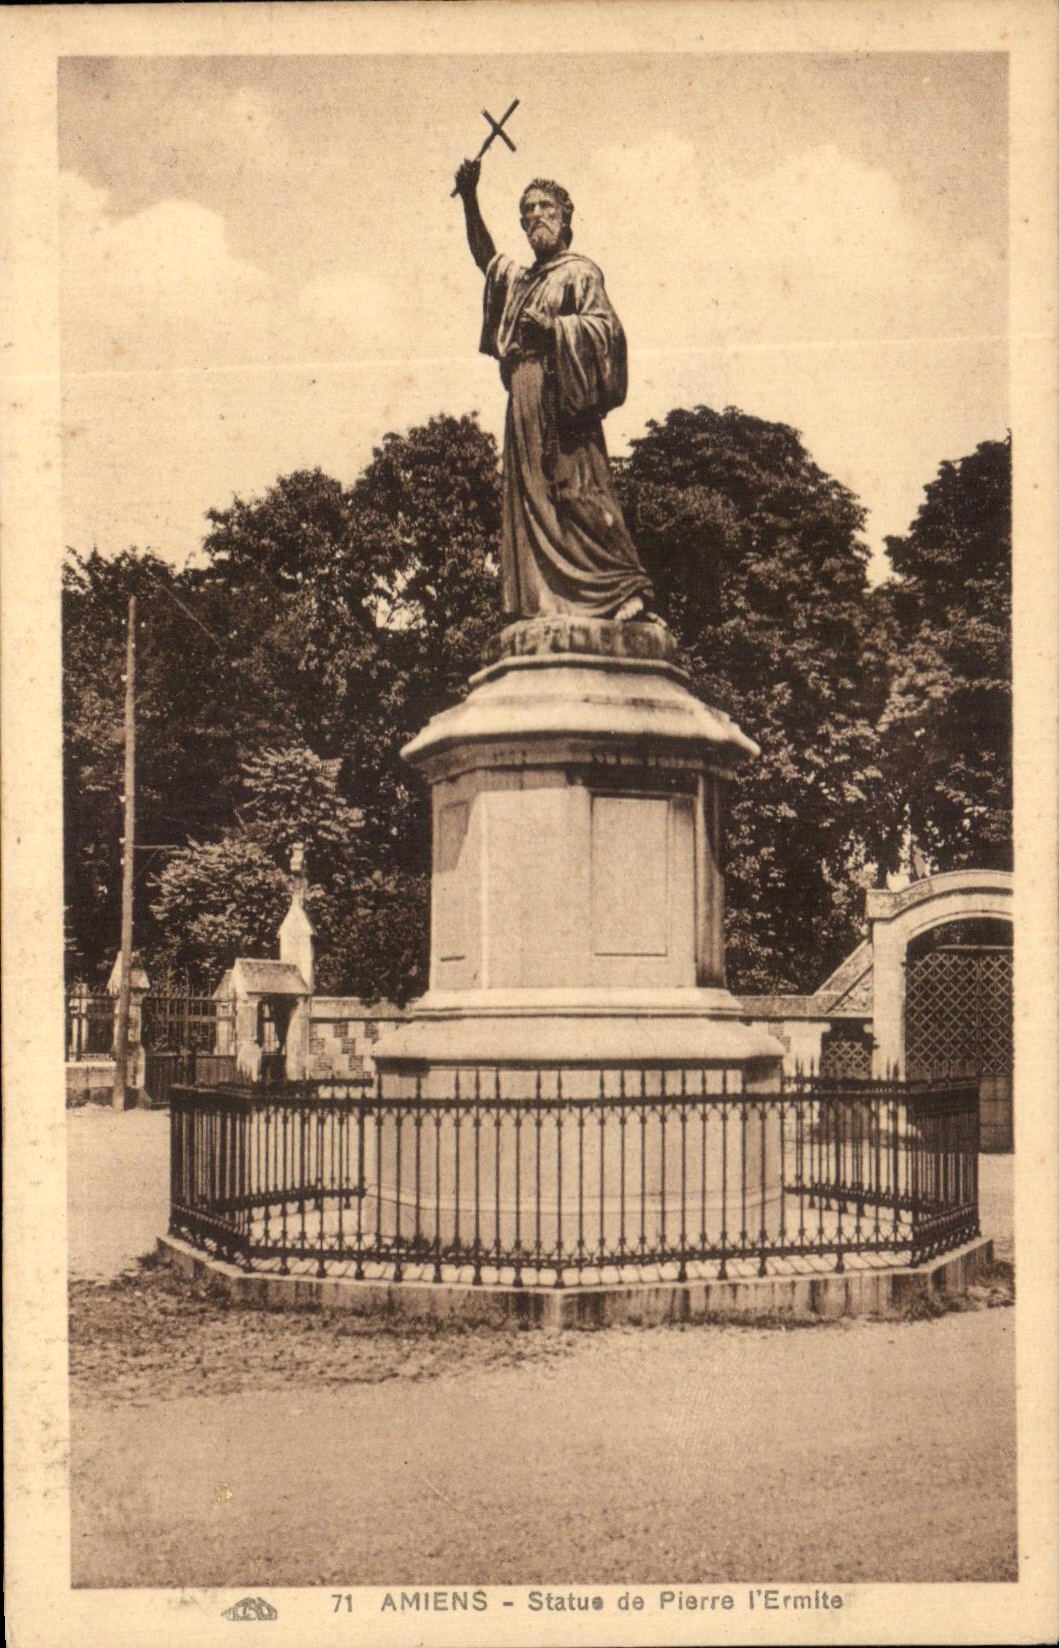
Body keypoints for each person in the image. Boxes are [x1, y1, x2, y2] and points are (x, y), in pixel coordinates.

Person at [454, 160, 656, 623]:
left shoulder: (579, 273)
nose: (535, 216)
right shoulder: (523, 281)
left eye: (545, 207)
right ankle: (546, 601)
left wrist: (557, 330)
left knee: (581, 491)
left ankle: (626, 590)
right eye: (526, 211)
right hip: (522, 396)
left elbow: (608, 331)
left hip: (563, 396)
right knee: (533, 500)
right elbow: (486, 259)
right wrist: (469, 198)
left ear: (566, 216)